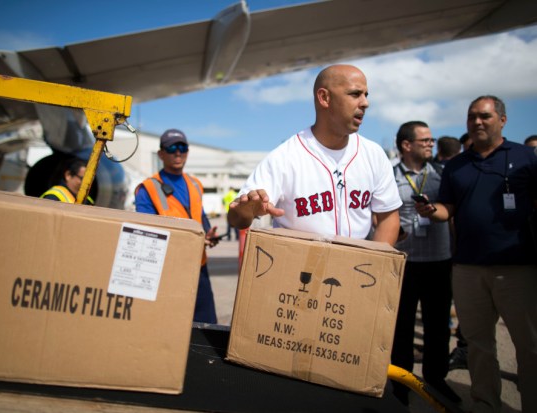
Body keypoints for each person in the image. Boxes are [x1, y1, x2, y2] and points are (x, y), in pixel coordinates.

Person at [415, 95, 537, 413]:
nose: (477, 122)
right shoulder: (456, 165)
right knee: (478, 345)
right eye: (471, 117)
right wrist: (431, 210)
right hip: (468, 267)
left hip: (517, 268)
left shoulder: (527, 157)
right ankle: (485, 404)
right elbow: (447, 210)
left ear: (503, 120)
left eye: (484, 116)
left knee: (530, 346)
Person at [227, 64, 402, 245]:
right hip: (299, 265)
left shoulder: (374, 154)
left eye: (366, 95)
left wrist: (374, 266)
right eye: (355, 94)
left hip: (357, 266)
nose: (365, 102)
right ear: (324, 98)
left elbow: (388, 218)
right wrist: (246, 210)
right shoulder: (285, 156)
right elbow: (237, 219)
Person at [390, 121, 459, 406]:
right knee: (401, 327)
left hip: (438, 261)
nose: (432, 144)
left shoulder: (443, 174)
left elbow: (452, 210)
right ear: (406, 145)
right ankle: (401, 386)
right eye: (425, 141)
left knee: (438, 326)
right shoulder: (389, 175)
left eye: (431, 140)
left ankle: (436, 379)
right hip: (404, 263)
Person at [135, 129, 219, 324]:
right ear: (161, 154)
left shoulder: (195, 184)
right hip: (168, 270)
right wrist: (192, 240)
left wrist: (208, 234)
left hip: (199, 267)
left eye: (183, 147)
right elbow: (147, 234)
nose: (178, 153)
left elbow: (200, 217)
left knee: (206, 327)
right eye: (172, 148)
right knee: (169, 326)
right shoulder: (148, 188)